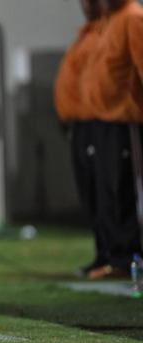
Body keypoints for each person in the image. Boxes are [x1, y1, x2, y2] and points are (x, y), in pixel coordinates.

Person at [75, 0, 143, 278]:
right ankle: (113, 255)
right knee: (105, 192)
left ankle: (127, 257)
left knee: (123, 189)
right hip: (100, 121)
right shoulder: (108, 22)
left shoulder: (132, 18)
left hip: (123, 121)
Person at [54, 0, 107, 278]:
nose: (86, 5)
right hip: (81, 124)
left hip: (104, 121)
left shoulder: (116, 27)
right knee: (92, 192)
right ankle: (104, 253)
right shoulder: (89, 32)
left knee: (109, 191)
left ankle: (120, 256)